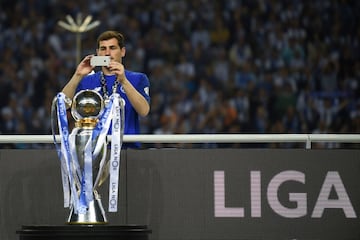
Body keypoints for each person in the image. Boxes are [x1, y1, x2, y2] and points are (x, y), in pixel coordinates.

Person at [61, 30, 150, 148]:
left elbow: (144, 111)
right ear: (98, 53)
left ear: (122, 52)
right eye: (103, 49)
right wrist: (77, 75)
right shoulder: (87, 80)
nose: (107, 53)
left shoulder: (138, 78)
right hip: (93, 152)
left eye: (112, 48)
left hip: (128, 149)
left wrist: (123, 81)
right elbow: (62, 105)